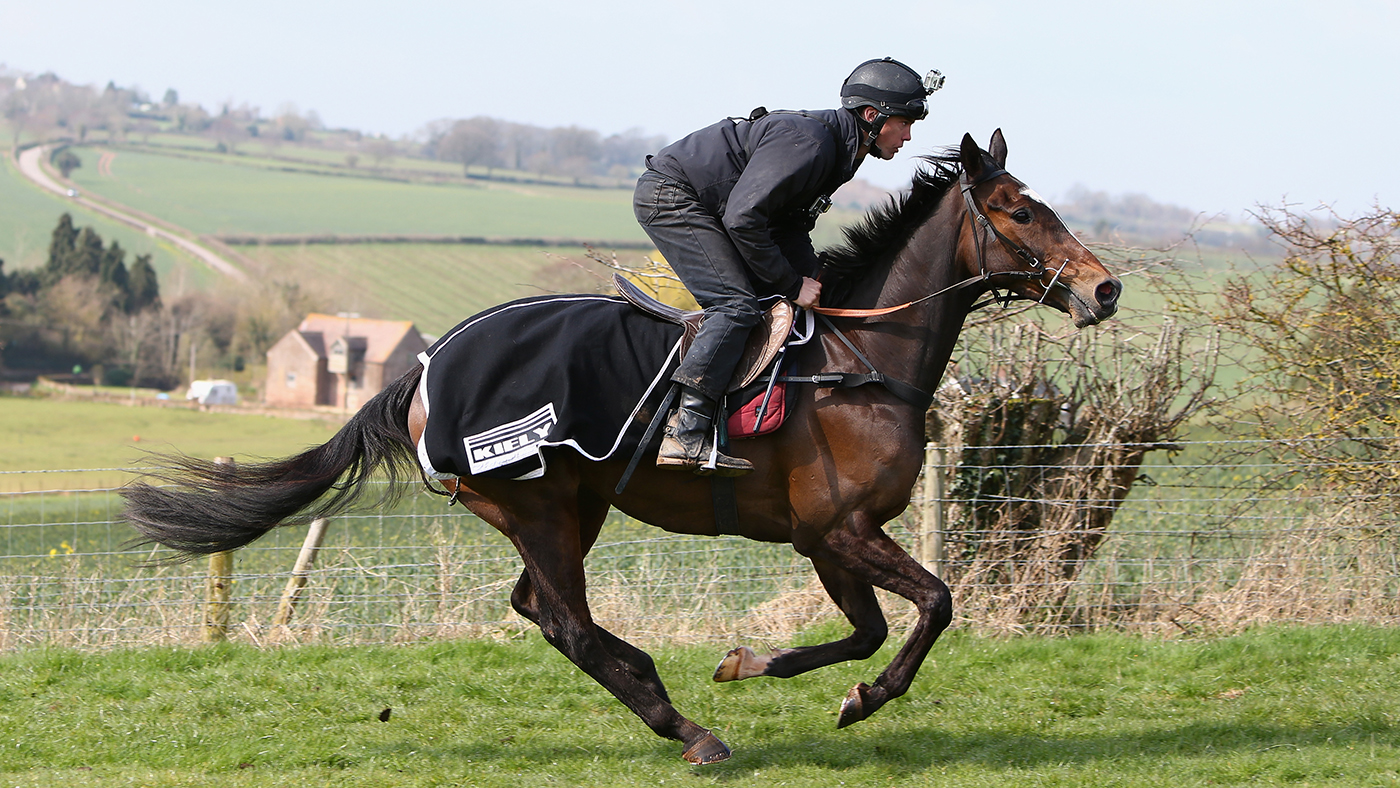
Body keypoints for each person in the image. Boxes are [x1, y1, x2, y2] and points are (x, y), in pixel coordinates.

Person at [633, 57, 944, 476]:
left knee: (776, 297)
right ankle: (685, 432)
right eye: (905, 123)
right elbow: (743, 220)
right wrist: (791, 283)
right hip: (671, 196)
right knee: (735, 306)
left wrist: (813, 277)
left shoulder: (841, 150)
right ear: (873, 116)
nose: (908, 136)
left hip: (712, 206)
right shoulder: (812, 143)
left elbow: (788, 226)